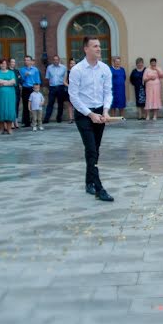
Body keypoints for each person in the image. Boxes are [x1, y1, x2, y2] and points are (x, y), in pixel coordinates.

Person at [68, 36, 114, 202]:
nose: (98, 49)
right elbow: (73, 96)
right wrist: (90, 114)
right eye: (95, 46)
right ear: (86, 49)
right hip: (83, 114)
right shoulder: (77, 70)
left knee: (95, 149)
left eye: (99, 46)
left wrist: (106, 111)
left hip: (100, 112)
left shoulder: (105, 69)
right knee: (92, 149)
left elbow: (108, 92)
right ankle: (99, 188)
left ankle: (89, 182)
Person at [0, 58, 17, 135]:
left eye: (5, 63)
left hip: (10, 95)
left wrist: (2, 82)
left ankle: (9, 128)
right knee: (1, 110)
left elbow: (13, 82)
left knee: (10, 110)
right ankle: (1, 128)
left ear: (7, 65)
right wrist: (7, 82)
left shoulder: (11, 72)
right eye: (1, 63)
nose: (3, 65)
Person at [43, 55, 68, 124]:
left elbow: (65, 78)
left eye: (57, 60)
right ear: (53, 60)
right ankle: (46, 119)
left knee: (60, 103)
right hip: (52, 87)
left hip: (61, 87)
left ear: (59, 60)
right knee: (50, 103)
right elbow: (47, 78)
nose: (55, 61)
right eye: (54, 60)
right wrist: (49, 86)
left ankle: (59, 118)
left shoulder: (63, 68)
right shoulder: (49, 67)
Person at [19, 55, 41, 128]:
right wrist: (25, 76)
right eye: (25, 60)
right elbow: (21, 81)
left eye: (28, 60)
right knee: (26, 106)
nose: (26, 61)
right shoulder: (22, 70)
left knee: (35, 105)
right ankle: (26, 122)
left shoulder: (35, 70)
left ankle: (36, 121)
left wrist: (38, 89)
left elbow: (37, 80)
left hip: (33, 88)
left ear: (31, 61)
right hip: (25, 88)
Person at [9, 58, 23, 128]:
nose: (13, 63)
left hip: (17, 90)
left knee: (16, 105)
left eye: (14, 62)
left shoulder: (17, 71)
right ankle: (11, 121)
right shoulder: (7, 71)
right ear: (9, 63)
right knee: (11, 106)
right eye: (12, 62)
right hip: (10, 90)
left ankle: (16, 120)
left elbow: (20, 80)